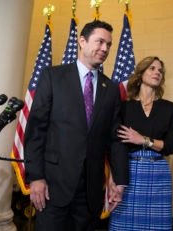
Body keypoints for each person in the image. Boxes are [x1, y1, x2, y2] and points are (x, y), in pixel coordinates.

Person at [24, 20, 129, 231]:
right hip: (52, 187)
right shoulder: (52, 76)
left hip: (90, 192)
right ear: (82, 41)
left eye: (109, 44)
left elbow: (114, 138)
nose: (105, 49)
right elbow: (36, 131)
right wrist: (35, 177)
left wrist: (119, 180)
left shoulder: (111, 89)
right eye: (100, 42)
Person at [108, 56, 173, 230]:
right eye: (152, 68)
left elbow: (172, 144)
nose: (157, 72)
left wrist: (143, 140)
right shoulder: (124, 107)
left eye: (160, 71)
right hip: (128, 173)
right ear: (140, 74)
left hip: (159, 175)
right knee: (123, 224)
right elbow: (115, 146)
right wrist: (113, 177)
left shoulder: (169, 108)